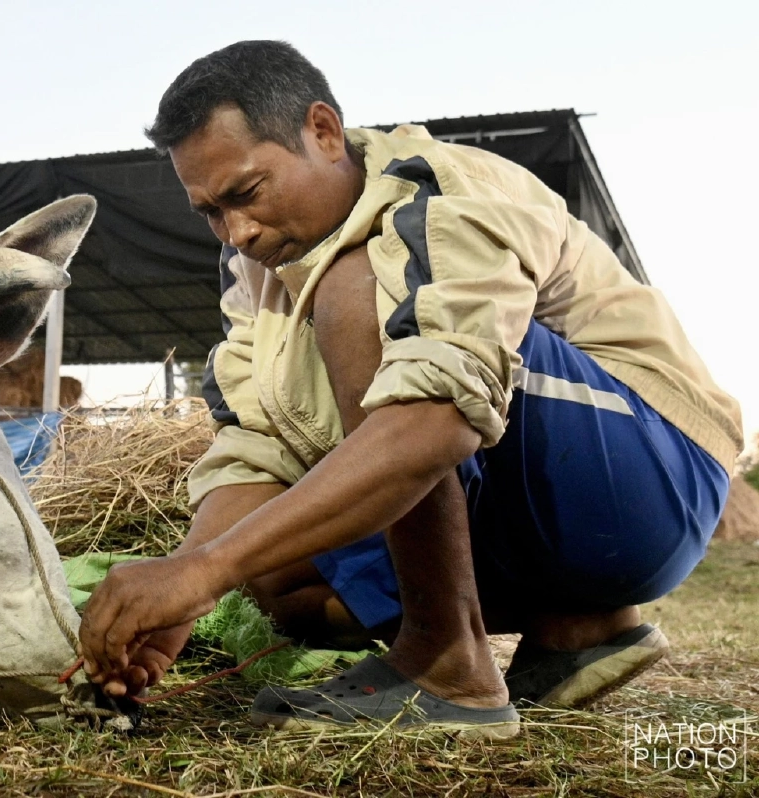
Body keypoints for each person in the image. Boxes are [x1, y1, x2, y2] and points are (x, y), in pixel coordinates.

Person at [78, 40, 742, 738]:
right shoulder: (253, 271)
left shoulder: (434, 191)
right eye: (210, 211)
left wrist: (207, 569)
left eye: (246, 193)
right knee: (282, 579)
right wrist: (185, 588)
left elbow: (436, 418)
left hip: (656, 476)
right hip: (551, 514)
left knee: (357, 292)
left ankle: (448, 662)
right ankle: (579, 623)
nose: (236, 231)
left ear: (323, 132)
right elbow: (257, 443)